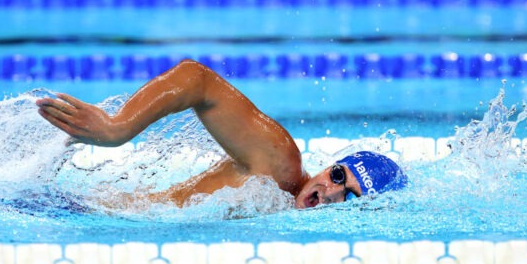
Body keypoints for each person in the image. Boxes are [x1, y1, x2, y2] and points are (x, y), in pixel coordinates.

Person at [36, 59, 406, 209]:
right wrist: (117, 128)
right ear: (329, 167)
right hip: (92, 211)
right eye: (338, 176)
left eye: (350, 198)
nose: (330, 191)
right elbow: (197, 80)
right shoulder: (280, 167)